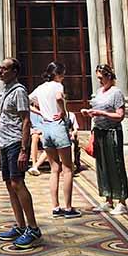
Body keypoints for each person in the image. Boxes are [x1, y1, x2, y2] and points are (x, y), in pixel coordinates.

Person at [0, 57, 42, 249]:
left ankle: (33, 228)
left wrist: (24, 150)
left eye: (4, 69)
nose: (1, 72)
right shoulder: (6, 91)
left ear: (14, 72)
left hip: (16, 142)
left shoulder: (19, 91)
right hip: (5, 143)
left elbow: (25, 121)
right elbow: (3, 120)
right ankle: (20, 225)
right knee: (9, 183)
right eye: (0, 68)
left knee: (18, 182)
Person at [29, 62, 82, 218]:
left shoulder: (40, 88)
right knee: (67, 169)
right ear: (57, 74)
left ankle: (55, 206)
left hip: (45, 127)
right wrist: (63, 112)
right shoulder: (57, 86)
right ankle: (68, 207)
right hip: (57, 125)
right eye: (62, 74)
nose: (63, 77)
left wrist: (40, 113)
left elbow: (27, 101)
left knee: (54, 169)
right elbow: (59, 98)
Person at [81, 63, 128, 215]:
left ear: (109, 76)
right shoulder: (99, 91)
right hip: (99, 131)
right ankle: (108, 198)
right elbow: (97, 109)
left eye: (101, 78)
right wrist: (90, 113)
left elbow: (120, 115)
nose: (100, 81)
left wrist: (102, 114)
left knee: (116, 165)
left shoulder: (116, 93)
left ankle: (121, 201)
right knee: (102, 166)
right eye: (98, 78)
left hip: (112, 132)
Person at [28, 110, 48, 176]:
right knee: (34, 137)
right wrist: (33, 131)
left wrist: (42, 131)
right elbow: (27, 125)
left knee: (49, 145)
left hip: (45, 132)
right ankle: (34, 163)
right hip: (34, 132)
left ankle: (35, 166)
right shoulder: (30, 113)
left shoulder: (45, 110)